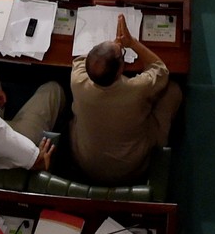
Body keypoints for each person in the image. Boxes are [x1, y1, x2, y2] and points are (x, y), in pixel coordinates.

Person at [70, 13, 181, 185]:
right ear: (120, 69)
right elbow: (160, 69)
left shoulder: (77, 79)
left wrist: (111, 48)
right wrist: (131, 43)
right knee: (172, 90)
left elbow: (84, 61)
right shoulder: (137, 89)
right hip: (132, 169)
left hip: (87, 164)